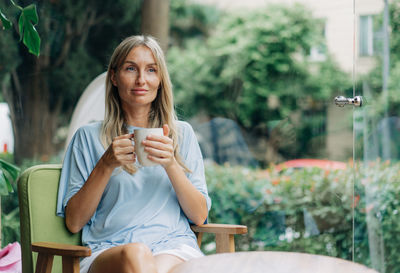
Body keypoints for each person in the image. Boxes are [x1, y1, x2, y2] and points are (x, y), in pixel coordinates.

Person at [56, 35, 211, 273]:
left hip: (173, 248)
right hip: (108, 250)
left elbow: (199, 216)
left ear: (160, 80)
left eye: (151, 70)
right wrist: (105, 165)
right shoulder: (87, 137)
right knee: (136, 253)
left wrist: (170, 164)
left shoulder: (183, 135)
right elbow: (74, 222)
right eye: (131, 68)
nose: (141, 80)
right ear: (114, 77)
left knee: (158, 266)